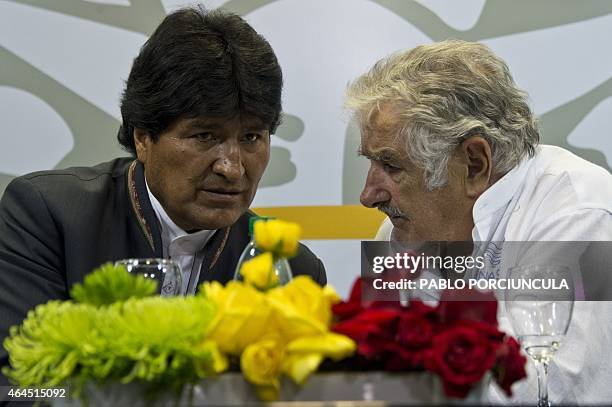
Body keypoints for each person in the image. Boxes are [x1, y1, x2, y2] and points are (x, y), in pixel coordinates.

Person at [0, 6, 326, 387]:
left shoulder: (291, 270)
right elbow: (17, 386)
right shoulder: (48, 216)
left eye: (251, 137)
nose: (232, 168)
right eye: (205, 136)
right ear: (142, 137)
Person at [345, 40, 612, 404]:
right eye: (370, 163)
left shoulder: (578, 211)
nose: (368, 195)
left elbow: (538, 390)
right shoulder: (399, 230)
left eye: (391, 166)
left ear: (474, 164)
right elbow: (371, 375)